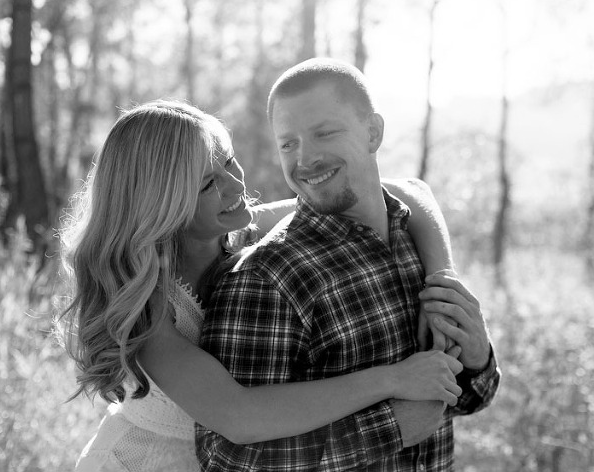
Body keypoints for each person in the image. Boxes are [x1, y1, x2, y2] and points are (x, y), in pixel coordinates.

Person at [57, 100, 465, 471]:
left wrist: (442, 289)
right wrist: (393, 378)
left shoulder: (242, 229)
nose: (235, 187)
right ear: (159, 202)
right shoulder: (149, 302)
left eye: (229, 162)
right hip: (146, 462)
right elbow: (240, 417)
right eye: (206, 184)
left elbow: (408, 192)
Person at [196, 59, 501, 471]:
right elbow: (225, 460)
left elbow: (457, 401)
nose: (306, 160)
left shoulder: (415, 242)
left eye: (325, 133)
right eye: (289, 144)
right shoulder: (267, 278)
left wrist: (479, 359)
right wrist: (388, 428)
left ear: (373, 132)